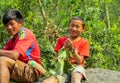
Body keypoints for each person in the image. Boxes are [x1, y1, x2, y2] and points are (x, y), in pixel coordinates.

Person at [0, 9, 43, 83]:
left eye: (11, 24)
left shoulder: (25, 34)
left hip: (32, 72)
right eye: (6, 25)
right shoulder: (11, 40)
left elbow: (14, 55)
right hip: (22, 70)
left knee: (2, 61)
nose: (9, 27)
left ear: (20, 23)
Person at [42, 16, 90, 83]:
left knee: (76, 78)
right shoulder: (61, 40)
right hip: (63, 69)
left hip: (76, 67)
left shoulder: (84, 43)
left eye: (77, 27)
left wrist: (71, 49)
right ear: (68, 26)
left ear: (83, 28)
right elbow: (56, 58)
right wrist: (59, 58)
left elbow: (79, 61)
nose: (74, 28)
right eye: (72, 26)